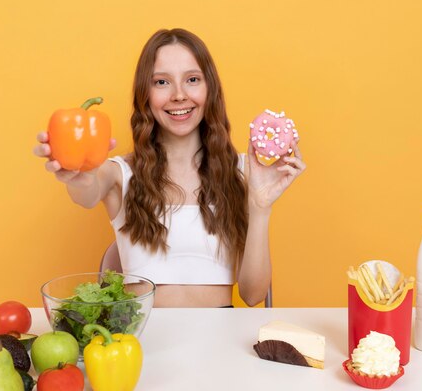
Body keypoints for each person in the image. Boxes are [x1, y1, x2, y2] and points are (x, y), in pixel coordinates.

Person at [34, 28, 306, 307]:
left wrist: (260, 207)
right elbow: (87, 192)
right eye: (162, 82)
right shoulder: (119, 173)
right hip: (141, 342)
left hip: (218, 338)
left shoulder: (243, 171)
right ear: (145, 94)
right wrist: (77, 175)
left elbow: (253, 295)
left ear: (209, 88)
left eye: (192, 79)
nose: (179, 95)